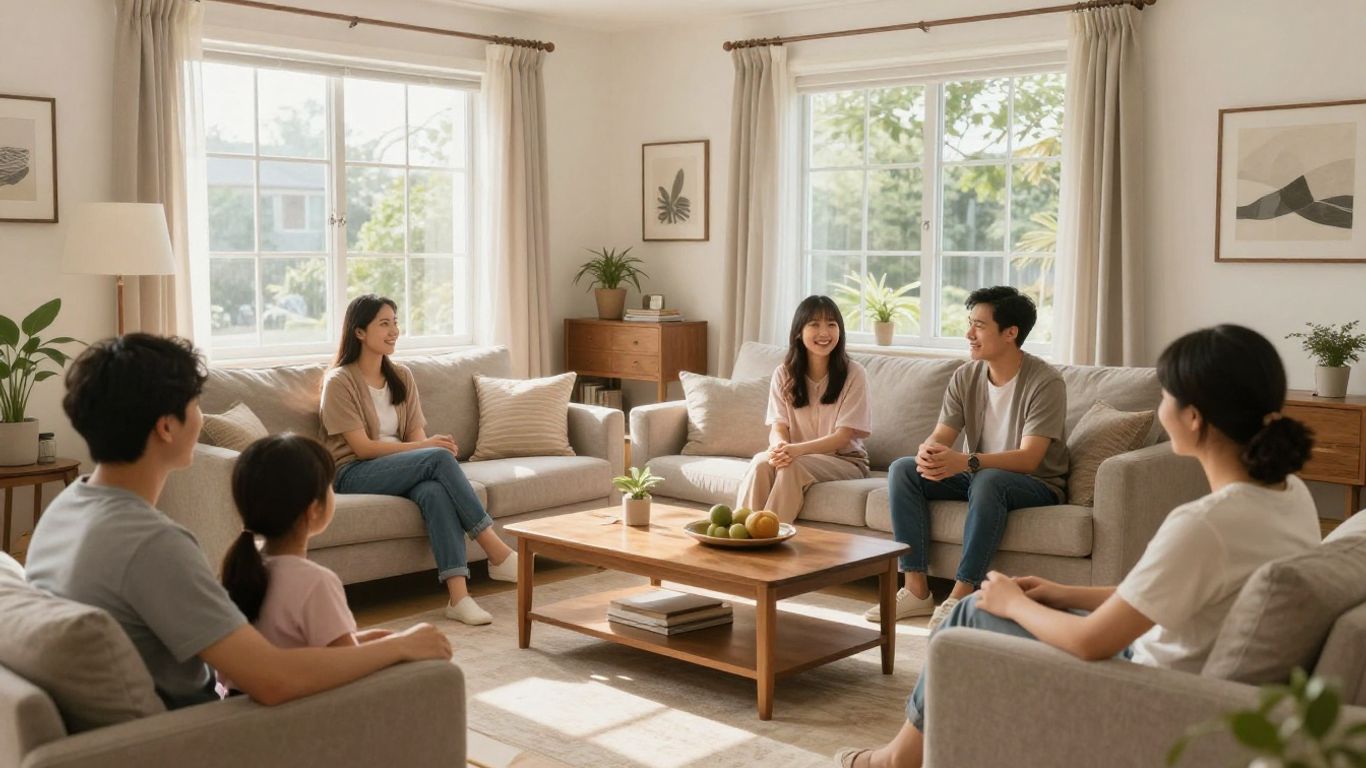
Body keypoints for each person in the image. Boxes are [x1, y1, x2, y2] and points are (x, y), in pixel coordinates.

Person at [835, 324, 1319, 768]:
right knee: (996, 605)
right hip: (1172, 661)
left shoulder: (1203, 524)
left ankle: (896, 760)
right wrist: (1061, 593)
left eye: (1167, 393)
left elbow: (1093, 643)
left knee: (971, 612)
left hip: (1148, 683)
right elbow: (1169, 597)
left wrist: (1013, 604)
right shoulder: (1289, 494)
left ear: (1192, 418)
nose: (1161, 405)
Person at [25, 334, 451, 710]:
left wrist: (391, 641)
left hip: (166, 724)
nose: (201, 416)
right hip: (210, 736)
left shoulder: (65, 508)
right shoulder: (153, 545)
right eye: (196, 404)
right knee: (428, 684)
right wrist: (404, 646)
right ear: (166, 427)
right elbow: (273, 679)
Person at [866, 286, 1068, 630]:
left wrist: (968, 461)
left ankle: (961, 594)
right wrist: (928, 452)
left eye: (979, 325)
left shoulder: (1045, 381)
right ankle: (916, 589)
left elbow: (1030, 458)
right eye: (969, 323)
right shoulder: (966, 376)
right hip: (979, 475)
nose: (968, 334)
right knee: (903, 469)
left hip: (1035, 484)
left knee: (988, 479)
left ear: (1010, 333)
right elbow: (943, 435)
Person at [322, 294, 517, 626]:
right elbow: (363, 448)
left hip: (395, 470)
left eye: (395, 321)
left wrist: (427, 447)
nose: (394, 330)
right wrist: (430, 449)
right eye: (384, 323)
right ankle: (495, 549)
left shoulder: (402, 376)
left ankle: (458, 597)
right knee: (438, 459)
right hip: (352, 473)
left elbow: (416, 439)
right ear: (359, 333)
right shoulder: (339, 381)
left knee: (433, 491)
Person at [220, 434, 391, 670]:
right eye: (329, 486)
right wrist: (402, 646)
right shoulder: (315, 582)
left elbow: (304, 648)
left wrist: (378, 640)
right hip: (302, 704)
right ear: (313, 510)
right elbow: (347, 664)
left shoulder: (239, 568)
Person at [735, 295, 872, 524]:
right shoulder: (784, 374)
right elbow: (778, 425)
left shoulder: (854, 374)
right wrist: (780, 447)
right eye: (814, 324)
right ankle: (739, 536)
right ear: (799, 332)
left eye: (831, 324)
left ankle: (768, 538)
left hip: (846, 461)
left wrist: (795, 451)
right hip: (796, 455)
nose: (824, 332)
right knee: (761, 462)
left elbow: (843, 437)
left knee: (792, 467)